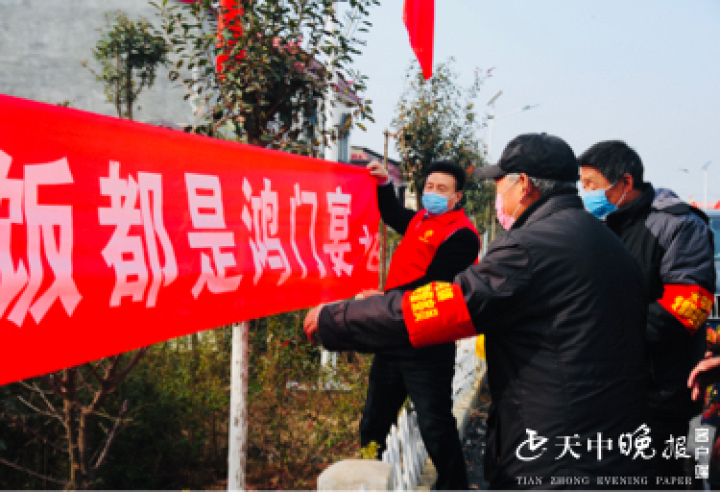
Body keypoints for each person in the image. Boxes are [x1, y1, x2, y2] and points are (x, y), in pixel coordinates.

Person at [305, 133, 653, 488]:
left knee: (434, 422)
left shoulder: (527, 248)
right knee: (378, 420)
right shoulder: (604, 240)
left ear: (524, 185)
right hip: (604, 437)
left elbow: (450, 303)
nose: (497, 194)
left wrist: (339, 319)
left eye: (500, 183)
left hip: (553, 453)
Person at [578, 141, 716, 485]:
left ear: (625, 182)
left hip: (659, 389)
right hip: (607, 386)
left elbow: (685, 311)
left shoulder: (678, 225)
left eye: (592, 185)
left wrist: (603, 330)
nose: (586, 193)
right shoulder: (599, 227)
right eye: (583, 185)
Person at [358, 159, 479, 490]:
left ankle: (454, 486)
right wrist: (384, 183)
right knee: (374, 421)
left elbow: (435, 284)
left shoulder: (462, 235)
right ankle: (368, 481)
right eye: (429, 186)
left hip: (428, 340)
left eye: (442, 189)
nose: (433, 193)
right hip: (394, 333)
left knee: (435, 424)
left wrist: (385, 299)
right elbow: (393, 213)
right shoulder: (420, 220)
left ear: (457, 197)